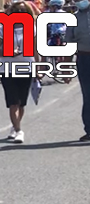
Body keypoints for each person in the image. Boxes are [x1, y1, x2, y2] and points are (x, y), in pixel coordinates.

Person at [0, 0, 39, 143]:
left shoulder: (31, 28)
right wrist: (8, 52)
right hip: (7, 69)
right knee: (13, 101)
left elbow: (35, 50)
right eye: (16, 11)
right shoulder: (3, 28)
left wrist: (37, 68)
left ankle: (15, 126)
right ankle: (19, 130)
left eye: (22, 11)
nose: (19, 13)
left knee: (21, 103)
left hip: (26, 68)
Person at [66, 0, 90, 140]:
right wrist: (67, 69)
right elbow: (69, 45)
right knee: (88, 96)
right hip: (84, 59)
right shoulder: (73, 19)